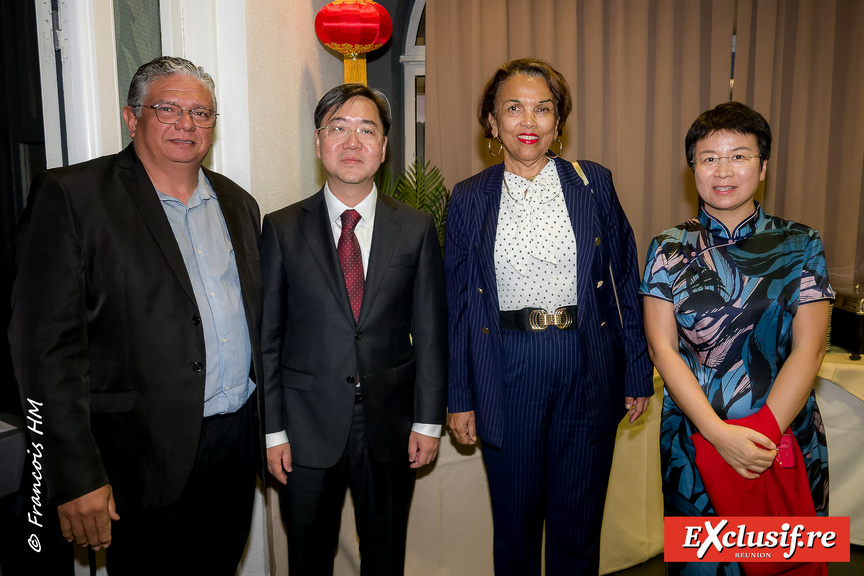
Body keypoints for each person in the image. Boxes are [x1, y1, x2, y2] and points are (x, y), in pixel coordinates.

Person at [8, 56, 262, 575]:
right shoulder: (73, 198)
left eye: (201, 113)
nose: (186, 124)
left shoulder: (239, 204)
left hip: (234, 449)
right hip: (138, 458)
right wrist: (74, 473)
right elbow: (44, 349)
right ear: (131, 117)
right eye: (167, 109)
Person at [445, 57, 654, 575]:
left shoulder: (594, 184)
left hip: (587, 362)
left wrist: (635, 369)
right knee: (515, 534)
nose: (529, 121)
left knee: (578, 531)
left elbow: (625, 280)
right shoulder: (470, 197)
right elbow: (458, 304)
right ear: (492, 122)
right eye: (513, 108)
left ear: (559, 121)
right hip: (507, 367)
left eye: (543, 109)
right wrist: (460, 394)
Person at [261, 83, 448, 575]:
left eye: (366, 130)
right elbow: (269, 339)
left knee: (385, 557)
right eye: (337, 129)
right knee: (308, 556)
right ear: (319, 141)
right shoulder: (280, 228)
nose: (351, 142)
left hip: (388, 422)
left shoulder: (415, 226)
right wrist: (273, 430)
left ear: (383, 147)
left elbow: (431, 333)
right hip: (304, 427)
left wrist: (428, 421)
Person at [640, 101, 832, 575]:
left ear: (763, 167)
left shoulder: (801, 242)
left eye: (739, 155)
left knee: (785, 566)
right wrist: (718, 435)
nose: (723, 170)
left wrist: (759, 439)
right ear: (693, 170)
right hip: (693, 441)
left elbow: (811, 348)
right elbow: (662, 349)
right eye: (709, 158)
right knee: (703, 568)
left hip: (783, 439)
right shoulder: (668, 247)